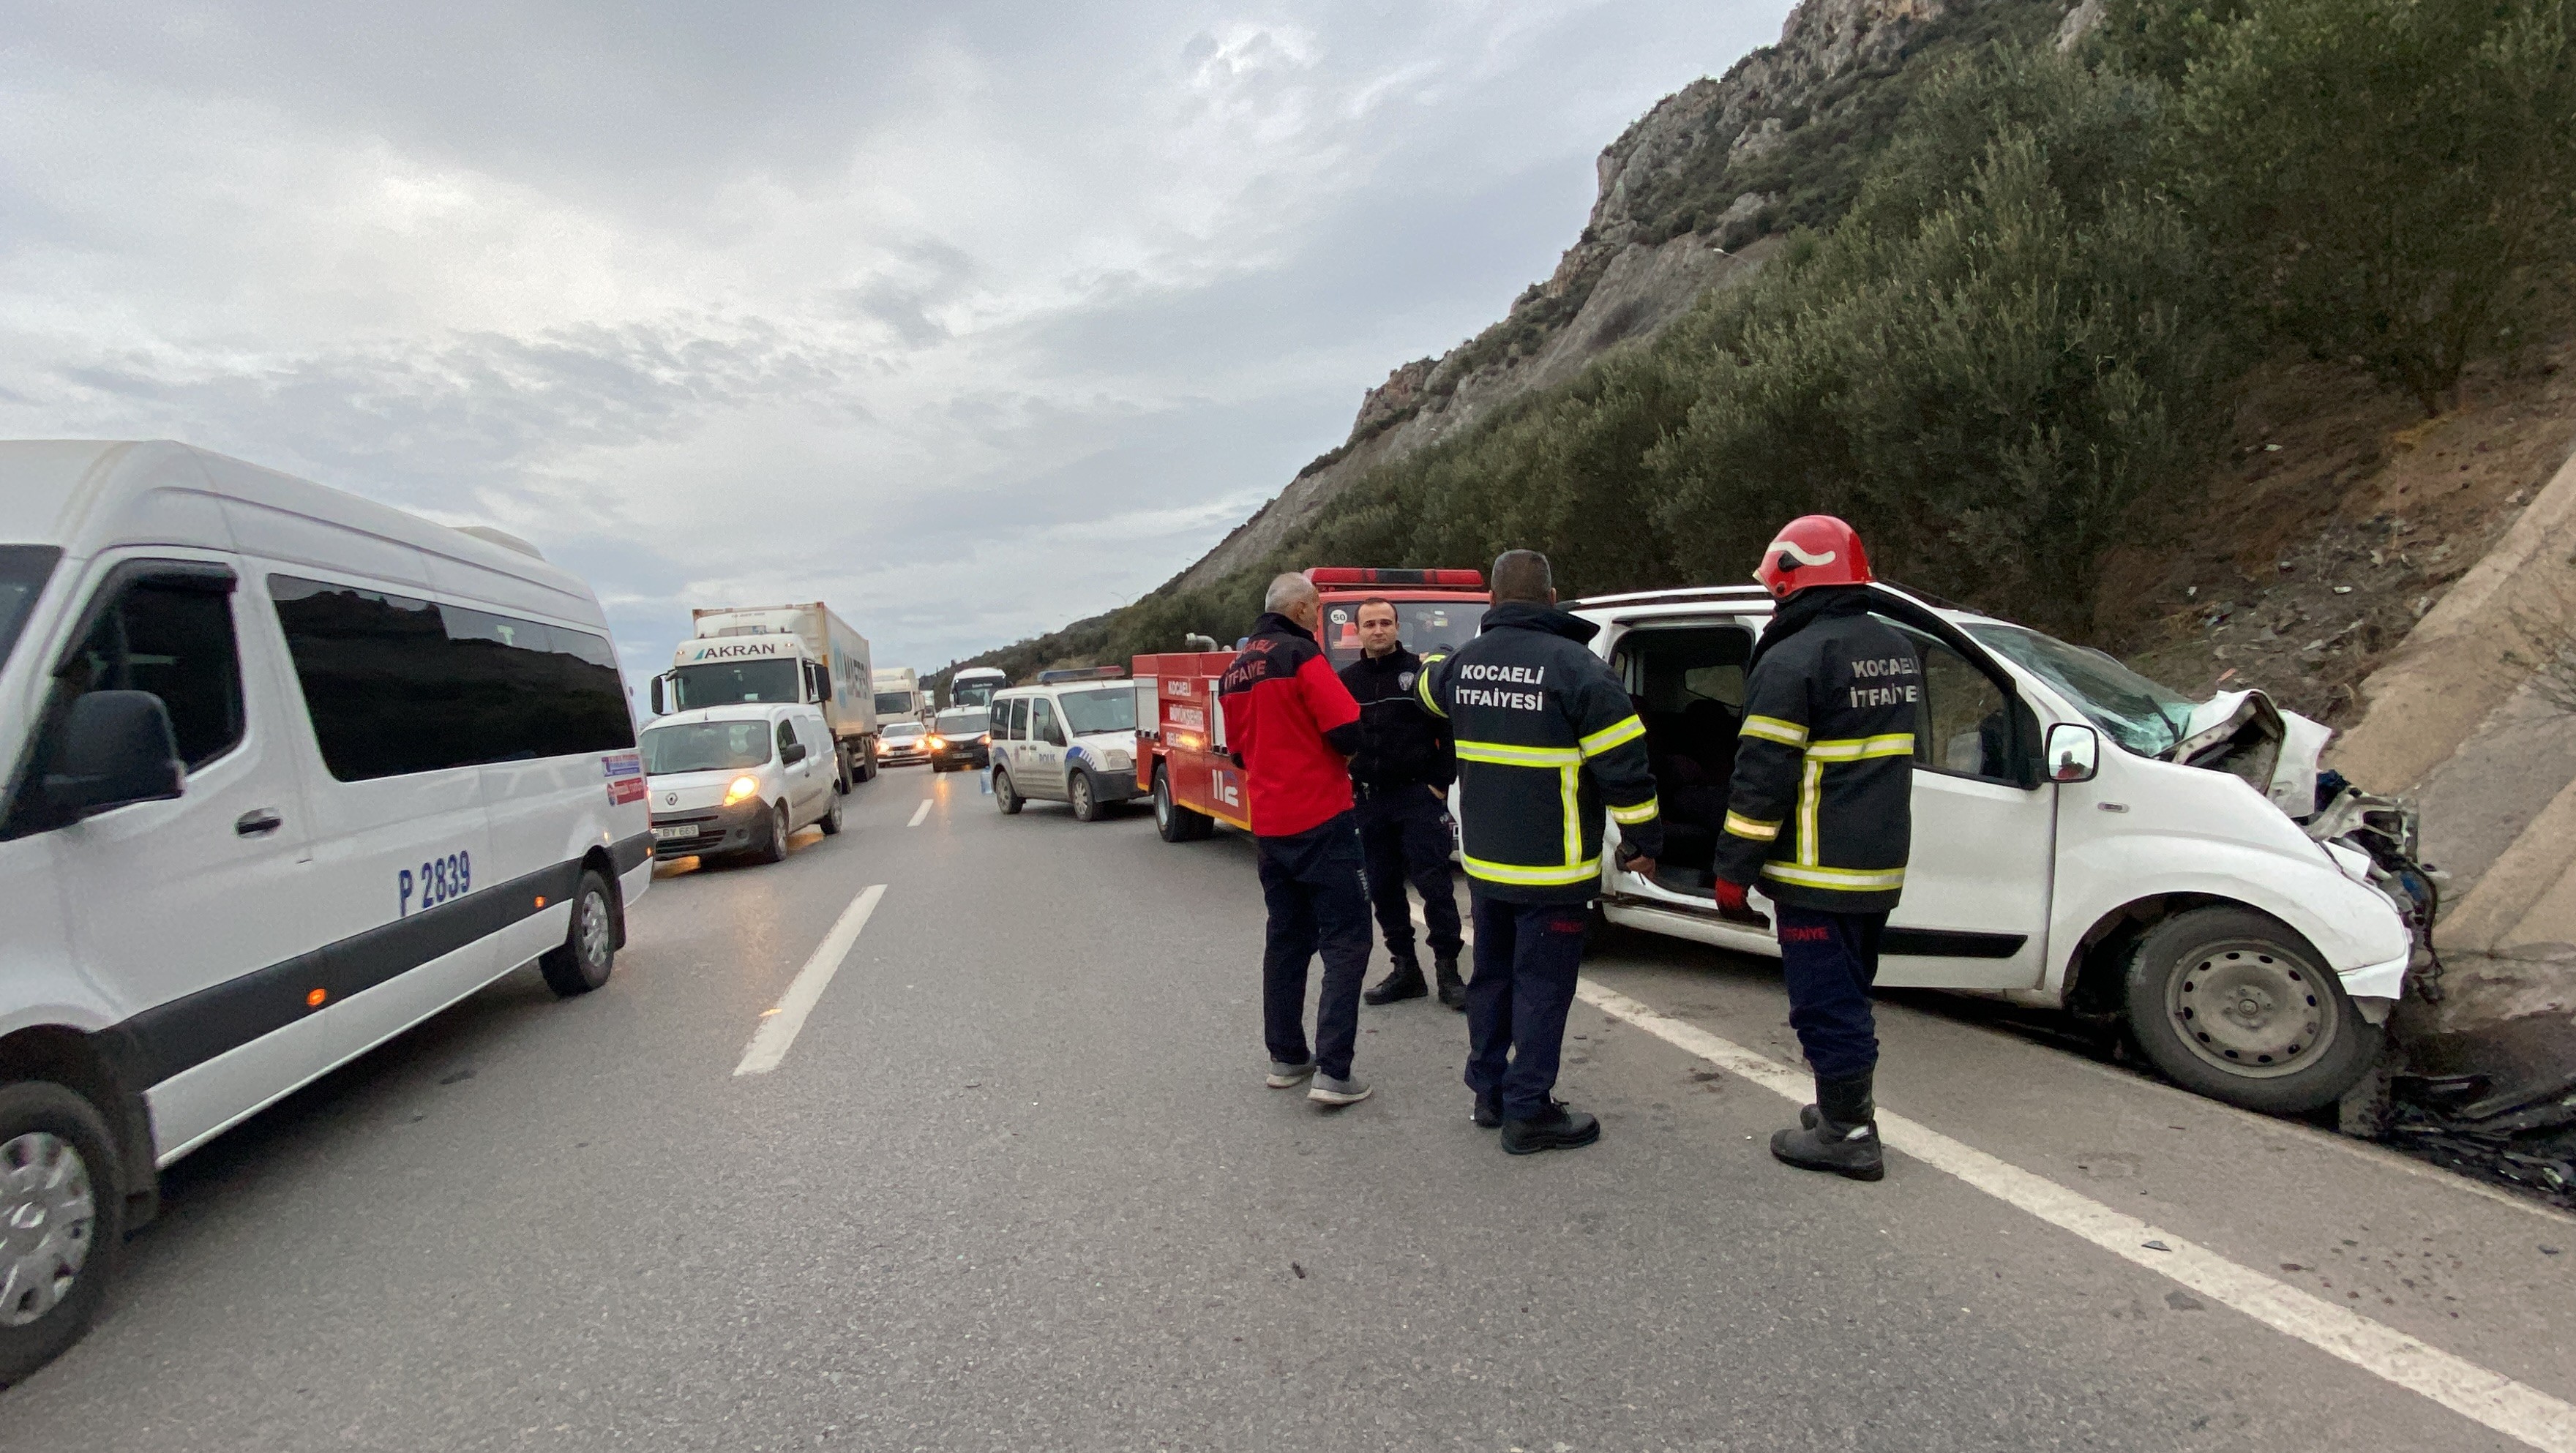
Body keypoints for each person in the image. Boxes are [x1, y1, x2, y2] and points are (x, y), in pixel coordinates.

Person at [1415, 550, 1662, 1154]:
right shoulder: (1579, 669)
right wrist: (1643, 842)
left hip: (1486, 866)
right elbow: (1625, 769)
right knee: (1543, 989)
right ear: (1554, 600)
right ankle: (1530, 1111)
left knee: (1492, 979)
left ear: (1493, 604)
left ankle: (1489, 1095)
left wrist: (1437, 657)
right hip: (1555, 869)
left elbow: (1426, 689)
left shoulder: (1464, 665)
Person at [1710, 514, 1917, 1182]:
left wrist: (1732, 871)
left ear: (1792, 577)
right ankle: (1840, 1106)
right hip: (1877, 863)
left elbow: (1763, 777)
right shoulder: (1895, 647)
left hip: (1815, 869)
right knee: (1852, 987)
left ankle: (1850, 1133)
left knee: (1825, 1002)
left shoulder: (1795, 658)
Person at [1220, 572, 1374, 1107]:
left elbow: (1238, 752)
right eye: (1316, 609)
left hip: (1270, 825)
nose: (1317, 617)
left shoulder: (1235, 670)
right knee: (1347, 938)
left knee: (1286, 940)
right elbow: (1347, 730)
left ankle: (1286, 1057)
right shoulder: (1301, 656)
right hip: (1322, 819)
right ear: (1305, 608)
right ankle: (1335, 1071)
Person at [1339, 597, 1467, 1010]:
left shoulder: (1421, 674)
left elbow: (1449, 732)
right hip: (1369, 803)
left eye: (1385, 623)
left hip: (1417, 798)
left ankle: (1449, 972)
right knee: (1383, 888)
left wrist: (1439, 785)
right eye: (1369, 624)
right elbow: (1332, 736)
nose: (1378, 630)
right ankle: (1405, 969)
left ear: (1398, 628)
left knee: (1436, 887)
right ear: (1357, 632)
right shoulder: (1345, 681)